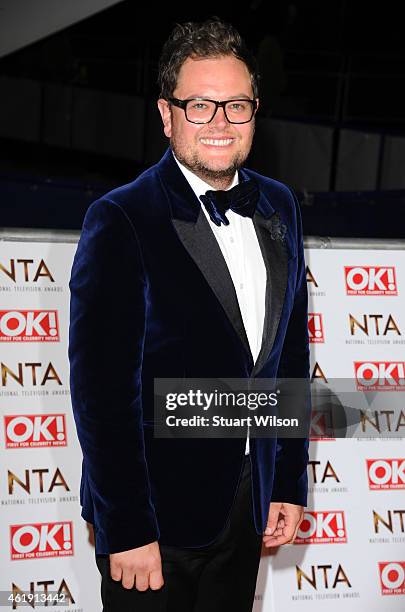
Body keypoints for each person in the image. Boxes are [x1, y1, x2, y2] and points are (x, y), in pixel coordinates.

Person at [68, 17, 310, 612]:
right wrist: (127, 526)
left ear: (256, 110)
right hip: (154, 522)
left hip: (247, 508)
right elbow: (101, 393)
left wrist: (284, 480)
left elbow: (288, 355)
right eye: (200, 106)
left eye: (236, 105)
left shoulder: (278, 204)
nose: (221, 124)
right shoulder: (122, 218)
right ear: (166, 113)